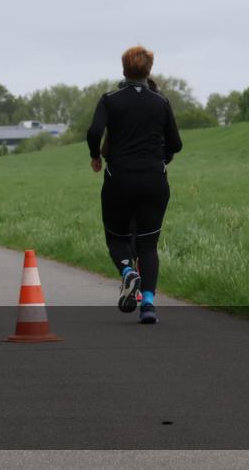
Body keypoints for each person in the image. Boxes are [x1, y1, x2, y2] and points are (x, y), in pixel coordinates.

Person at [86, 45, 182, 325]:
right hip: (154, 179)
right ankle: (148, 304)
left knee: (116, 238)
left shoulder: (110, 100)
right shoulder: (160, 101)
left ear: (123, 68)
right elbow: (176, 143)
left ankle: (128, 273)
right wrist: (162, 157)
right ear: (149, 70)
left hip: (120, 179)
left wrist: (95, 155)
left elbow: (94, 131)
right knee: (148, 245)